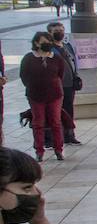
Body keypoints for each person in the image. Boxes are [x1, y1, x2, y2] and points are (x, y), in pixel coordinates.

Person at [19, 33, 65, 162]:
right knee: (38, 122)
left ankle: (59, 149)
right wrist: (32, 86)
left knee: (56, 122)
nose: (47, 44)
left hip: (55, 94)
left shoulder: (56, 58)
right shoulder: (29, 58)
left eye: (49, 41)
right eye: (44, 41)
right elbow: (24, 75)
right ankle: (39, 150)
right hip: (35, 95)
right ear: (36, 43)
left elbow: (60, 74)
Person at [46, 22, 80, 148]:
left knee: (68, 110)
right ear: (49, 33)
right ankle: (50, 139)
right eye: (56, 30)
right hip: (55, 85)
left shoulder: (67, 46)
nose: (59, 32)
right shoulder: (49, 49)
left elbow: (74, 61)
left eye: (61, 29)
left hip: (69, 84)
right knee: (53, 113)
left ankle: (69, 135)